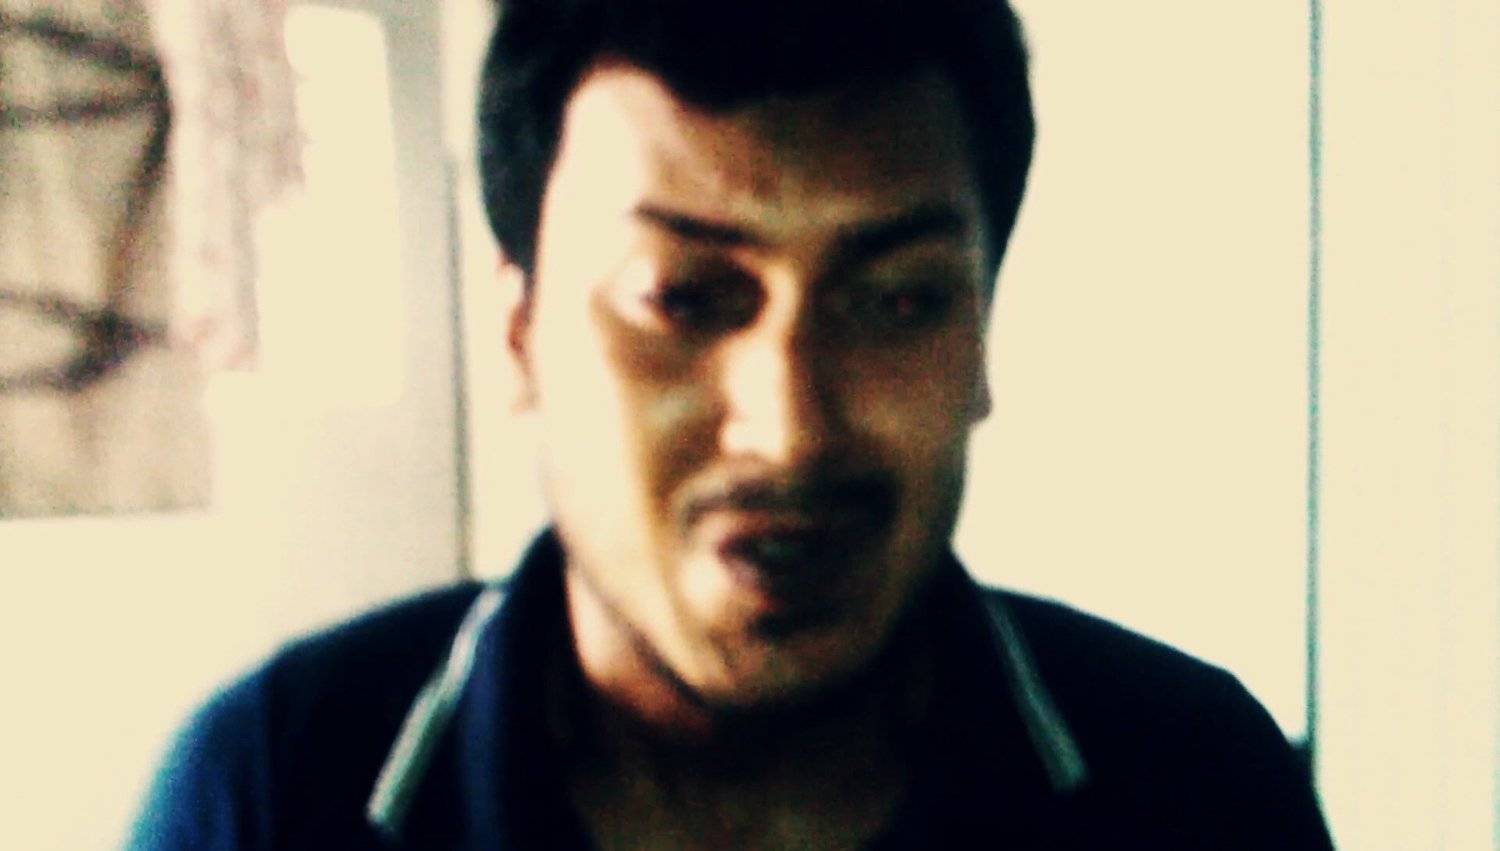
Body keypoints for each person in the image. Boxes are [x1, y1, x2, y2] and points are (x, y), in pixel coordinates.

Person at [128, 1, 1335, 848]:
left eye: (898, 300)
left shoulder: (1195, 788)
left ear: (980, 337)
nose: (789, 428)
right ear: (519, 334)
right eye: (683, 298)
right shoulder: (278, 791)